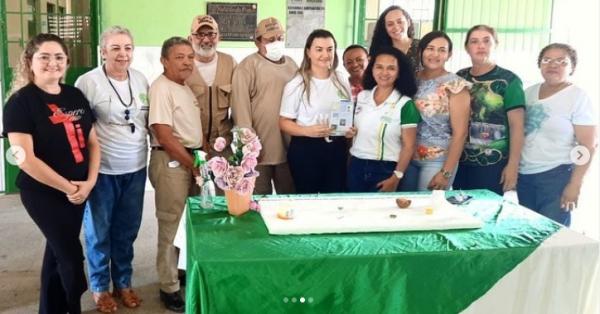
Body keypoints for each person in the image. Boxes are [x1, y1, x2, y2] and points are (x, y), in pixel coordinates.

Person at [2, 33, 100, 314]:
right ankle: (72, 306)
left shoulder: (74, 95)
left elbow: (93, 142)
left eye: (59, 57)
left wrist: (89, 183)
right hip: (43, 194)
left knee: (56, 254)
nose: (52, 63)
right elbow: (25, 160)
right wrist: (70, 188)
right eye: (44, 57)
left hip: (79, 192)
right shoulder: (21, 103)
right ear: (30, 62)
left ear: (66, 62)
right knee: (70, 258)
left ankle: (50, 309)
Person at [74, 26, 147, 312]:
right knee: (99, 232)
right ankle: (100, 288)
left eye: (127, 47)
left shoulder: (141, 80)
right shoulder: (88, 82)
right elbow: (79, 129)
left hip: (136, 167)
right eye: (115, 48)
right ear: (103, 51)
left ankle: (124, 282)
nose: (122, 53)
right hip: (102, 170)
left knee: (127, 230)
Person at [148, 36, 201, 313]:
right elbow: (165, 135)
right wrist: (192, 164)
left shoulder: (184, 87)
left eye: (190, 57)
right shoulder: (161, 88)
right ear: (164, 61)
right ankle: (168, 287)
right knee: (170, 224)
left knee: (186, 224)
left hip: (188, 159)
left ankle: (179, 273)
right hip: (171, 161)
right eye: (179, 57)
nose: (186, 62)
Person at [518, 43, 597, 226]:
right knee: (526, 233)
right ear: (540, 64)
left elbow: (588, 145)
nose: (553, 65)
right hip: (525, 175)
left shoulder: (578, 96)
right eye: (547, 60)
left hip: (556, 176)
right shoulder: (529, 93)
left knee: (551, 236)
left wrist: (575, 184)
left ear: (572, 67)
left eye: (561, 61)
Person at [453, 25, 525, 195]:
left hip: (493, 163)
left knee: (486, 213)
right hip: (460, 161)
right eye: (474, 41)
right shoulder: (459, 77)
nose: (481, 46)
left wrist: (513, 165)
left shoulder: (509, 80)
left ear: (495, 45)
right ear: (467, 47)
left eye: (486, 41)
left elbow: (518, 126)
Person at [279, 29, 351, 193]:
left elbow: (345, 114)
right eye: (319, 49)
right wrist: (306, 131)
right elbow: (283, 122)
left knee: (335, 199)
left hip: (336, 148)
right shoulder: (297, 84)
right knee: (308, 200)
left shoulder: (341, 80)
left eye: (330, 49)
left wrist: (348, 130)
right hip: (306, 149)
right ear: (308, 52)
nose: (325, 55)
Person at [232, 17, 297, 195]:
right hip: (259, 153)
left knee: (289, 197)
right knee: (259, 201)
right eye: (270, 40)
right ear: (257, 42)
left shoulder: (292, 65)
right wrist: (249, 147)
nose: (276, 43)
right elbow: (240, 110)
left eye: (279, 38)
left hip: (288, 148)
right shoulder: (247, 67)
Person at [345, 46, 420, 192]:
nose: (384, 72)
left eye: (391, 68)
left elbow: (409, 146)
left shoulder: (405, 104)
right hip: (356, 164)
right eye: (379, 67)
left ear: (399, 73)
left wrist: (396, 177)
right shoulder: (362, 97)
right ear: (372, 69)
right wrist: (350, 132)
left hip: (385, 169)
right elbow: (358, 128)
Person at [403, 31, 471, 191]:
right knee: (405, 208)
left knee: (427, 210)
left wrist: (446, 172)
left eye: (442, 50)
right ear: (421, 51)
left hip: (438, 161)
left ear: (449, 55)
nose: (435, 54)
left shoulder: (455, 85)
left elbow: (460, 133)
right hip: (407, 156)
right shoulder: (410, 79)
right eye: (430, 48)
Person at [186, 15, 236, 157]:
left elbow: (240, 104)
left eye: (211, 34)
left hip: (222, 147)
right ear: (190, 39)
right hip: (191, 147)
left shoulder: (230, 63)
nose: (206, 40)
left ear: (219, 37)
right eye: (200, 34)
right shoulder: (183, 65)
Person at [369, 5, 421, 72]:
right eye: (390, 24)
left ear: (408, 22)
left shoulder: (422, 46)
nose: (396, 27)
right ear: (385, 28)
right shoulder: (380, 50)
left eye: (400, 22)